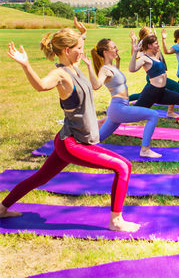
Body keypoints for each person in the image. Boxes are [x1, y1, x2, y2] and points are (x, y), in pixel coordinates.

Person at [0, 29, 140, 233]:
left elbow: (83, 104)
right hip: (73, 144)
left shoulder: (74, 66)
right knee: (123, 167)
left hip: (70, 137)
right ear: (67, 50)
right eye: (79, 49)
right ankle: (116, 220)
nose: (82, 53)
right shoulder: (60, 74)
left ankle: (2, 209)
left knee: (40, 177)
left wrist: (80, 34)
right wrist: (26, 65)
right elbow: (40, 86)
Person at [88, 38, 161, 158]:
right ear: (105, 52)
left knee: (95, 141)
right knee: (153, 115)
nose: (116, 49)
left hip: (117, 109)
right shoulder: (105, 70)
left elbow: (116, 79)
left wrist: (119, 62)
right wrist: (89, 66)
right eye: (113, 48)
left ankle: (78, 143)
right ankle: (145, 150)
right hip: (118, 108)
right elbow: (96, 86)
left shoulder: (111, 67)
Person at [129, 35, 179, 135]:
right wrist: (135, 52)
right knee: (132, 115)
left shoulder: (154, 56)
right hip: (151, 93)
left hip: (162, 91)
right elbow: (132, 69)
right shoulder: (144, 58)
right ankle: (107, 119)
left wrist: (162, 40)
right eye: (156, 44)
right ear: (149, 45)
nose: (158, 45)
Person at [129, 27, 179, 119]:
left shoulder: (151, 44)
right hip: (153, 76)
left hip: (157, 74)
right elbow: (136, 57)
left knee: (142, 96)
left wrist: (160, 42)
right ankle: (170, 111)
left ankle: (123, 101)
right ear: (145, 36)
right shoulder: (143, 46)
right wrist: (134, 49)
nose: (152, 34)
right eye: (150, 33)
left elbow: (156, 58)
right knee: (176, 86)